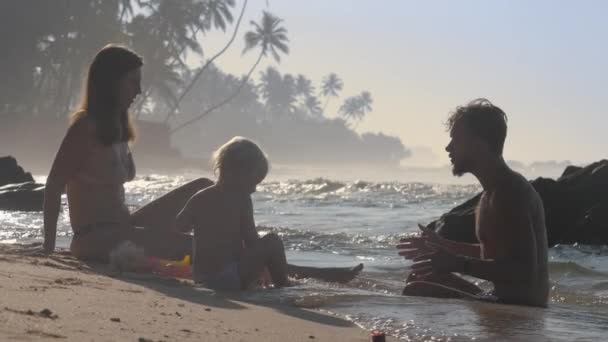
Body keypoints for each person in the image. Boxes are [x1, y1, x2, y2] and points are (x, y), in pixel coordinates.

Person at [42, 44, 361, 283]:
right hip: (97, 237)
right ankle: (300, 272)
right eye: (132, 82)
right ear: (111, 83)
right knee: (207, 245)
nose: (139, 90)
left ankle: (267, 263)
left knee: (205, 187)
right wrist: (48, 247)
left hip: (122, 225)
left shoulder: (119, 130)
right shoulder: (85, 128)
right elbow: (54, 184)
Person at [397, 99, 549, 307]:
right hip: (503, 301)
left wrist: (455, 263)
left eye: (456, 140)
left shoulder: (510, 193)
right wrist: (444, 246)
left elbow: (524, 272)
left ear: (479, 144)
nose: (448, 148)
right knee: (419, 278)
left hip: (522, 313)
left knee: (416, 289)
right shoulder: (492, 192)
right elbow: (498, 251)